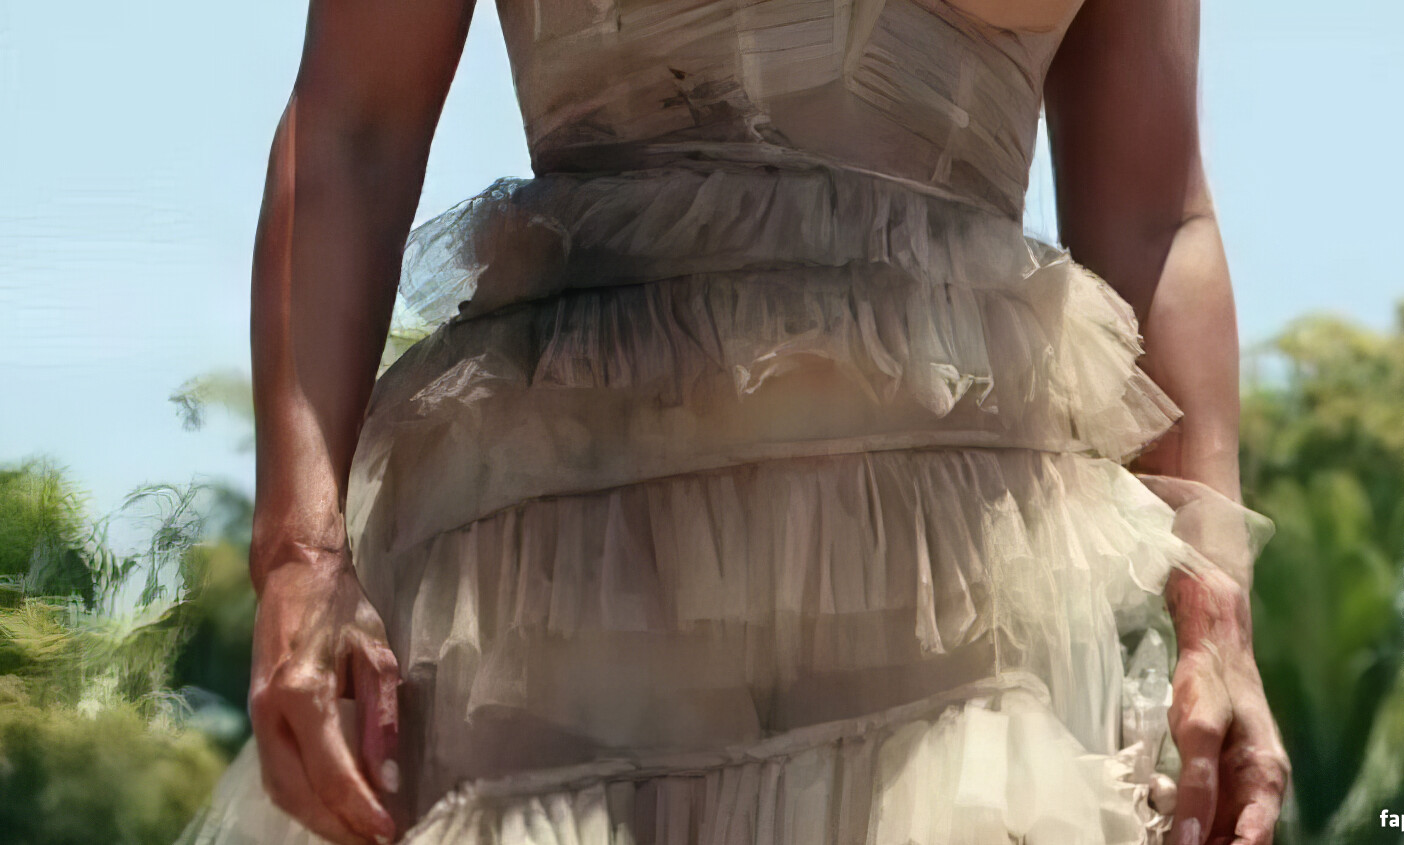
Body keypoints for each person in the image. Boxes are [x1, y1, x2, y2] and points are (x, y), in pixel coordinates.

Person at [178, 0, 1289, 843]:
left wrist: (1217, 612)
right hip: (569, 601)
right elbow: (351, 130)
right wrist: (299, 554)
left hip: (973, 602)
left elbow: (1156, 216)